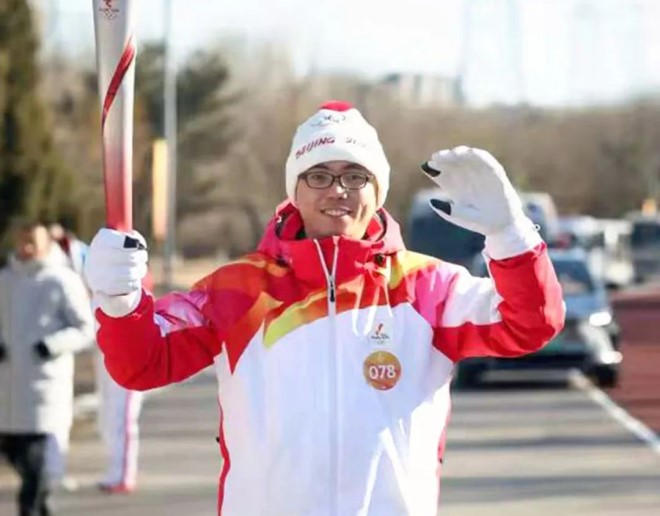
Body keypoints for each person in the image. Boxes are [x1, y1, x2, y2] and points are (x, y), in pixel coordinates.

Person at [83, 101, 565, 515]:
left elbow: (530, 325)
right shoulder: (238, 291)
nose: (337, 190)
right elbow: (142, 363)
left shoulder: (426, 289)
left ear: (377, 192)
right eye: (318, 176)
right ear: (295, 191)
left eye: (356, 176)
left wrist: (511, 237)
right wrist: (121, 302)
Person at [0, 220, 95, 515]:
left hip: (44, 384)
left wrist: (52, 345)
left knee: (36, 463)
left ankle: (32, 507)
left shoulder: (62, 280)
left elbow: (86, 328)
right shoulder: (5, 279)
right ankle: (41, 506)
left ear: (46, 244)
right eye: (23, 241)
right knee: (15, 453)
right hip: (9, 385)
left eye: (34, 242)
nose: (27, 248)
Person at [47, 223, 145, 494]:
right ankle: (116, 471)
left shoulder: (120, 261)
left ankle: (123, 474)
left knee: (122, 414)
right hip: (104, 346)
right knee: (109, 414)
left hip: (128, 348)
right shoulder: (80, 258)